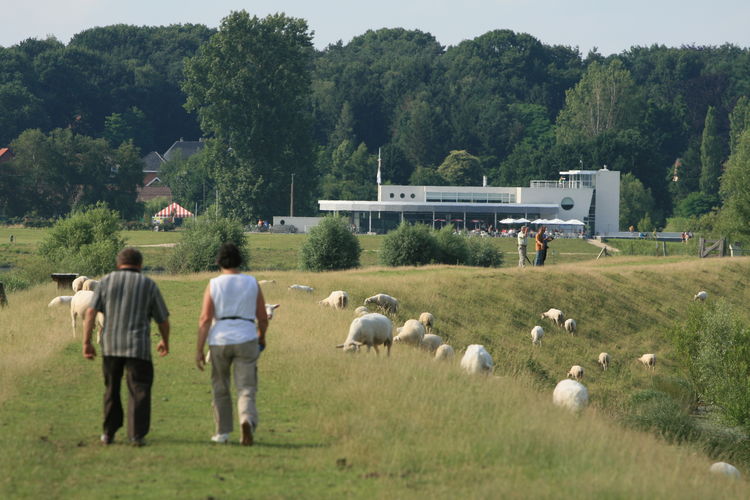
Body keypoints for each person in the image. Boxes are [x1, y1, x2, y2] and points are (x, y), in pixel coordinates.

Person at [82, 248, 170, 447]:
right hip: (138, 347)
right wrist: (165, 340)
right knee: (139, 389)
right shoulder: (148, 284)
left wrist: (87, 342)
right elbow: (162, 319)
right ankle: (136, 435)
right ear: (140, 265)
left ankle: (108, 433)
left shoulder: (105, 282)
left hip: (111, 345)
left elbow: (90, 313)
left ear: (118, 263)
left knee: (111, 388)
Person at [196, 242, 269, 446]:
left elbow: (204, 319)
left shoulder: (214, 284)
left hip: (220, 339)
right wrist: (261, 336)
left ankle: (222, 432)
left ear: (218, 262)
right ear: (240, 261)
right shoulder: (252, 283)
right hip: (246, 336)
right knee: (246, 387)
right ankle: (246, 419)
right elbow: (262, 318)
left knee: (220, 386)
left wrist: (199, 349)